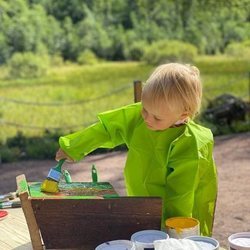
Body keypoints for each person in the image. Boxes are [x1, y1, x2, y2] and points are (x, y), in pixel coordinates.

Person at [55, 63, 218, 236]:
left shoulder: (189, 143)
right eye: (144, 109)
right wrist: (73, 146)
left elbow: (180, 195)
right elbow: (107, 129)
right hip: (142, 195)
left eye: (156, 117)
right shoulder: (141, 116)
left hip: (182, 211)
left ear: (183, 115)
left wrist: (171, 234)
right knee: (144, 224)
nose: (147, 118)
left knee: (183, 238)